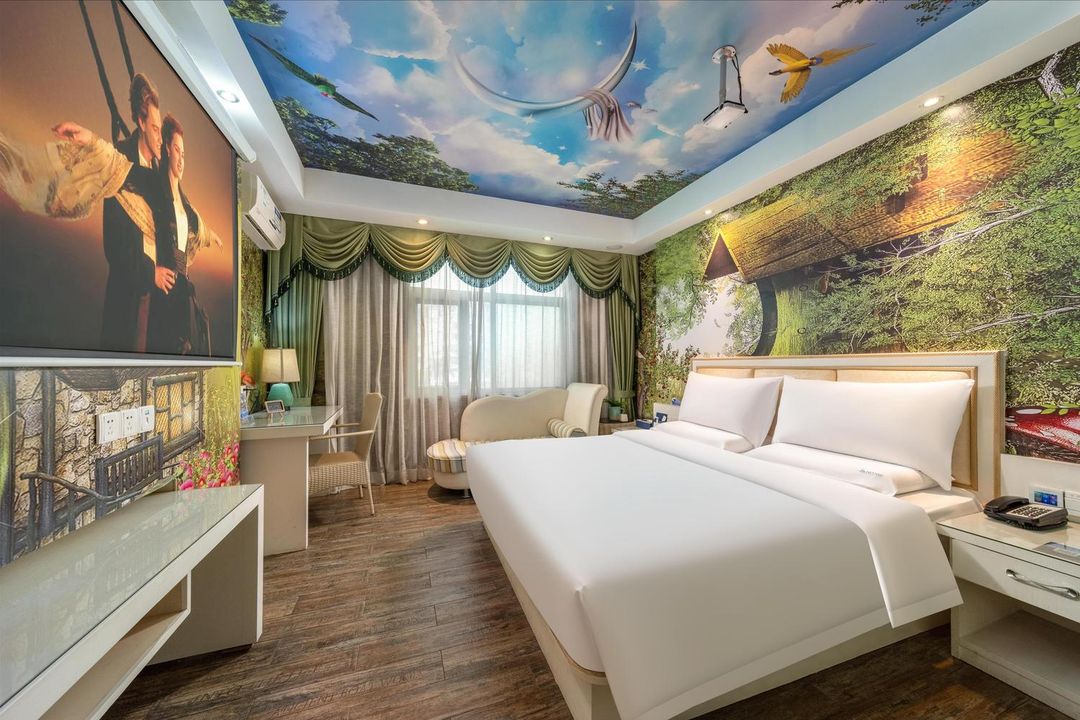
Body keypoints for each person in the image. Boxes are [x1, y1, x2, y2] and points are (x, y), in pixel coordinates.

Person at [99, 73, 175, 353]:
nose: (160, 138)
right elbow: (113, 246)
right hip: (128, 299)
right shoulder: (119, 161)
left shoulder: (158, 173)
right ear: (141, 123)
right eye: (154, 128)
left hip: (157, 304)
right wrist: (150, 273)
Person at [146, 114, 222, 355]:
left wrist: (211, 235)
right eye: (177, 150)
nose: (181, 159)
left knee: (183, 349)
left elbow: (196, 224)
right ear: (167, 149)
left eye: (184, 154)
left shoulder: (183, 200)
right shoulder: (156, 188)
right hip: (163, 290)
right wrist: (152, 271)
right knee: (163, 350)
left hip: (181, 288)